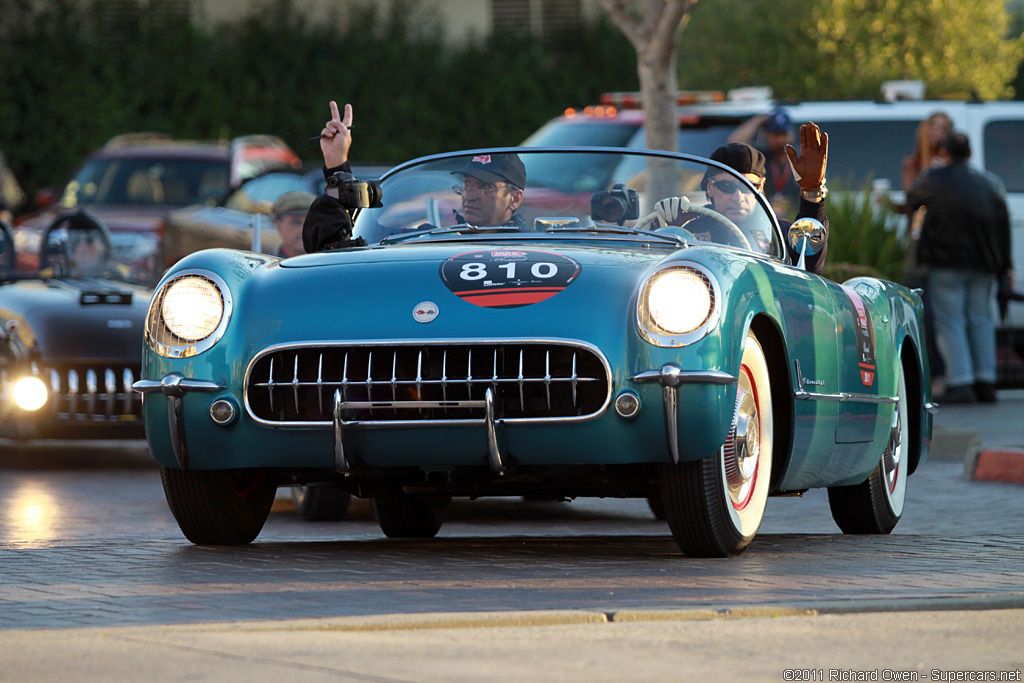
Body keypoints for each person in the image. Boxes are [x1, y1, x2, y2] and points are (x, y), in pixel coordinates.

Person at [301, 101, 525, 252]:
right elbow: (353, 242)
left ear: (514, 198)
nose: (471, 195)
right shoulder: (434, 239)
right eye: (467, 184)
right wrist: (337, 164)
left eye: (485, 186)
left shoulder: (541, 243)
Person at [906, 131, 1013, 403]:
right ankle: (985, 380)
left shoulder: (933, 178)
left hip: (946, 263)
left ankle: (961, 381)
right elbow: (1003, 226)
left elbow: (912, 201)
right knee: (981, 320)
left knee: (950, 321)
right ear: (970, 154)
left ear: (945, 153)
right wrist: (1005, 267)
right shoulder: (990, 184)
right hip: (984, 264)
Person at [655, 122, 830, 275]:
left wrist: (812, 195)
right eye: (727, 187)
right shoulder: (688, 230)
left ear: (761, 187)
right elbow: (655, 271)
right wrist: (667, 230)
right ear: (710, 187)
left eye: (749, 188)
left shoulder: (778, 233)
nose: (738, 197)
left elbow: (810, 268)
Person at [728, 107, 801, 216]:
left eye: (784, 134)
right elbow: (734, 145)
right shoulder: (760, 159)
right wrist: (759, 119)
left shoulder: (803, 162)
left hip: (798, 221)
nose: (780, 140)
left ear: (792, 134)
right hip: (764, 219)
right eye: (775, 135)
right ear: (767, 135)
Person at [271, 190, 315, 258]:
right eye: (296, 222)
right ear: (279, 227)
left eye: (311, 222)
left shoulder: (332, 264)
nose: (303, 230)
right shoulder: (267, 266)